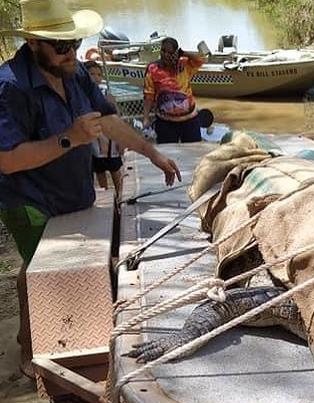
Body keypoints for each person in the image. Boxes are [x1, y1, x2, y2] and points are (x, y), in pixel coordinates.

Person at [0, 0, 181, 376]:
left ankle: (30, 335)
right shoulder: (10, 86)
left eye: (75, 42)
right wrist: (69, 138)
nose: (72, 53)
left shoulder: (76, 72)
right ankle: (38, 358)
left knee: (40, 270)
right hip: (29, 200)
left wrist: (151, 153)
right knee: (52, 272)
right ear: (34, 44)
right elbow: (8, 160)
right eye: (61, 46)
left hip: (72, 192)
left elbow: (108, 122)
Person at [142, 37, 206, 144]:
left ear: (176, 53)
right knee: (167, 154)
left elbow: (201, 60)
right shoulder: (153, 69)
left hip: (189, 119)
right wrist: (146, 118)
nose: (166, 55)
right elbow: (149, 95)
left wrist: (183, 53)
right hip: (165, 122)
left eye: (170, 52)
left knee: (193, 152)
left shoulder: (185, 65)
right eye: (163, 51)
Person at [84, 60, 124, 197]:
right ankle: (106, 195)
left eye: (98, 74)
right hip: (93, 139)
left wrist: (121, 139)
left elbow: (116, 115)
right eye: (91, 74)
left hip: (110, 138)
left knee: (115, 169)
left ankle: (120, 197)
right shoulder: (81, 95)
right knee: (99, 170)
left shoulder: (107, 93)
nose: (95, 77)